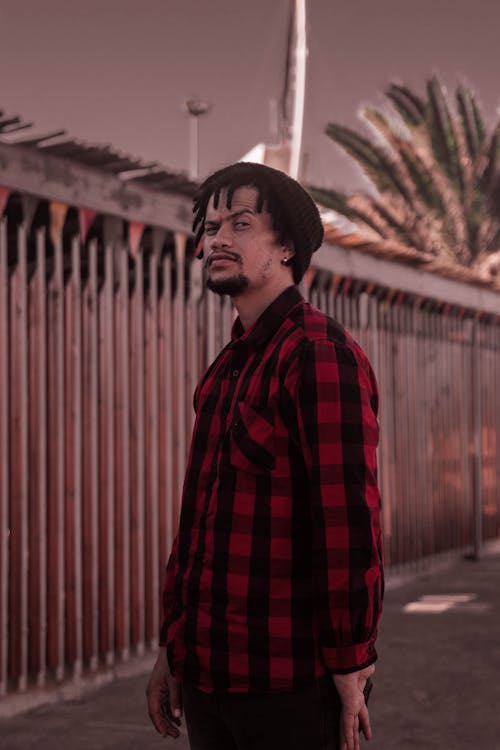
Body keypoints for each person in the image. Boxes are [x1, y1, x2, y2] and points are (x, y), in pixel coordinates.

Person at [146, 162, 383, 750]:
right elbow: (197, 524)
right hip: (207, 677)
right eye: (213, 225)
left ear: (286, 248)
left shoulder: (319, 353)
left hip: (286, 687)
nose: (217, 239)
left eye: (241, 224)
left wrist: (351, 665)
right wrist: (172, 651)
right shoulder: (226, 368)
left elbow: (348, 522)